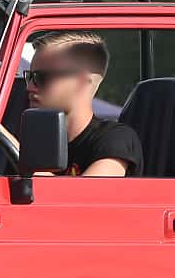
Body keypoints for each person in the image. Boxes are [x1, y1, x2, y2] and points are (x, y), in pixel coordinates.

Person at [22, 32, 143, 177]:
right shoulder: (40, 141)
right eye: (29, 76)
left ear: (81, 82)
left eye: (41, 77)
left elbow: (83, 197)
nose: (29, 87)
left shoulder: (115, 138)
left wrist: (14, 147)